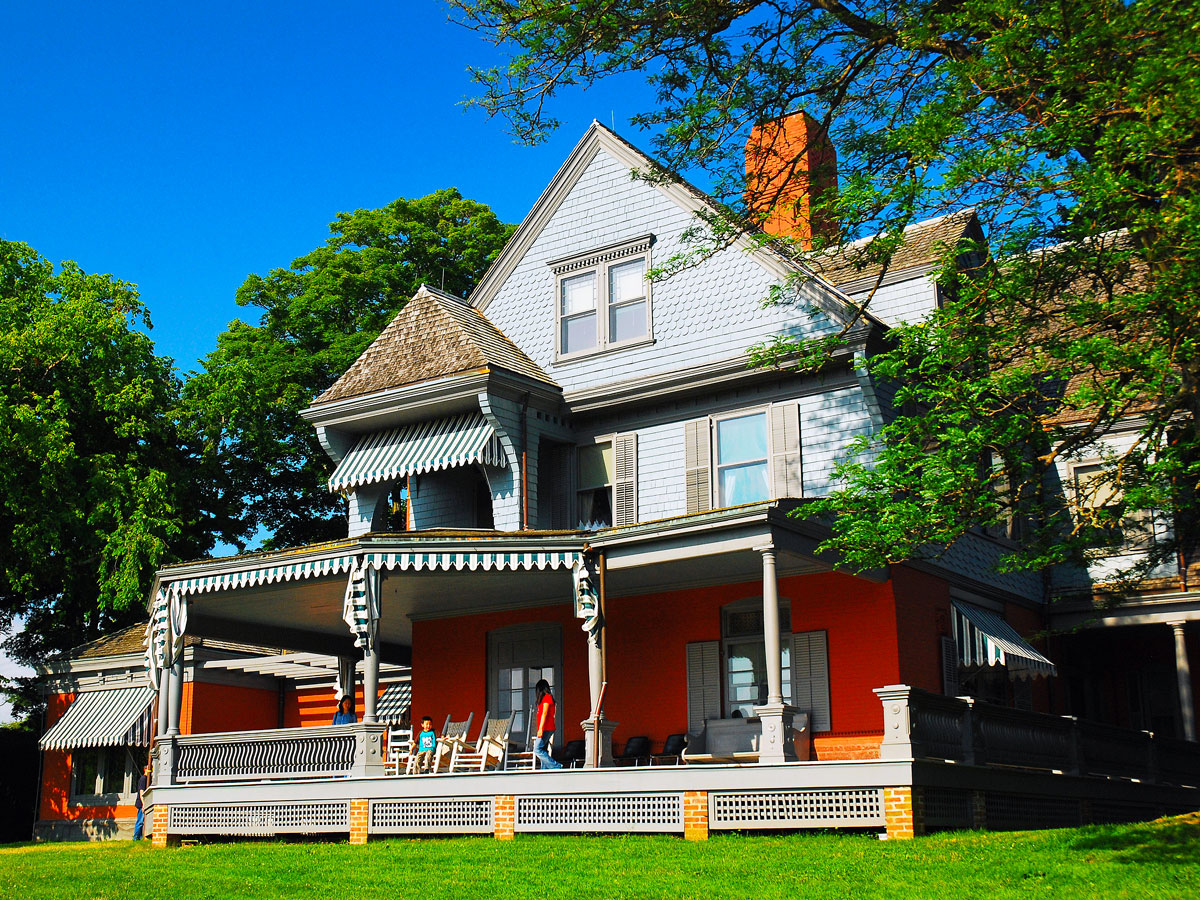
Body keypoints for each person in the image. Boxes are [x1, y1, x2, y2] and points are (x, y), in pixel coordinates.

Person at [533, 679, 561, 770]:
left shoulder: (547, 697)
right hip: (546, 728)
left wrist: (540, 729)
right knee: (543, 748)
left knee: (537, 749)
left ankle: (555, 765)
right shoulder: (545, 699)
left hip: (546, 728)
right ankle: (544, 769)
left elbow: (544, 713)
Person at [133, 762, 151, 840]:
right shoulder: (143, 779)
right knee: (140, 820)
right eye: (148, 769)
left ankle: (140, 836)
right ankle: (136, 837)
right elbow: (141, 792)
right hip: (141, 803)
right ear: (145, 770)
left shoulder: (148, 779)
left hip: (145, 803)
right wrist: (143, 804)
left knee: (143, 820)